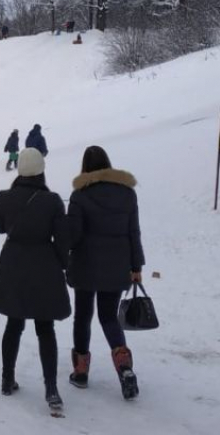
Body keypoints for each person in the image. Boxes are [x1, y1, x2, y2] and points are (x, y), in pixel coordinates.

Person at [0, 148, 70, 410]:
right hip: (44, 266)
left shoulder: (4, 197)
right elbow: (62, 237)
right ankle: (51, 389)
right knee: (45, 329)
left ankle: (7, 379)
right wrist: (61, 262)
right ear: (41, 170)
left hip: (13, 264)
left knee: (14, 324)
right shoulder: (53, 200)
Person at [67, 145, 144, 401]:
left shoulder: (80, 195)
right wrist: (136, 266)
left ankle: (80, 371)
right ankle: (124, 367)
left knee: (83, 316)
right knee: (109, 317)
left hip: (86, 265)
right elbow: (134, 232)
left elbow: (73, 235)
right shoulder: (127, 193)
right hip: (117, 265)